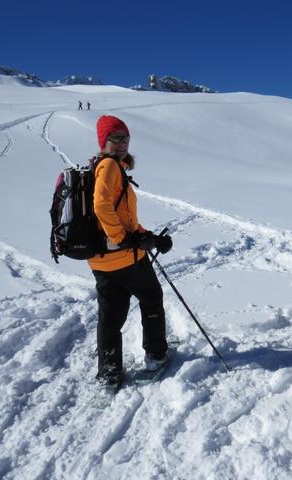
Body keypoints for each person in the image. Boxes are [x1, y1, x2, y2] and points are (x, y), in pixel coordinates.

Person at [89, 115, 173, 388]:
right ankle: (156, 356)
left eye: (125, 137)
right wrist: (123, 239)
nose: (122, 143)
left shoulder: (98, 167)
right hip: (123, 256)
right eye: (115, 138)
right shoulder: (110, 166)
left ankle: (110, 373)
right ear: (104, 142)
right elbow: (102, 207)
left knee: (110, 316)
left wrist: (149, 238)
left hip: (100, 259)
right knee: (151, 297)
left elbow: (123, 216)